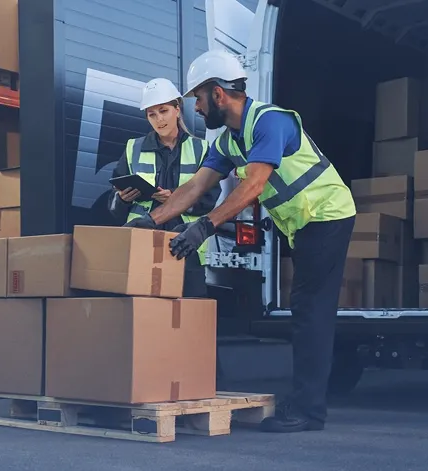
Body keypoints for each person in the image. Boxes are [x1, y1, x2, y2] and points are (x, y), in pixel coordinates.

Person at [127, 50, 357, 433]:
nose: (196, 108)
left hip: (328, 216)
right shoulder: (228, 141)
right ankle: (306, 403)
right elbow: (196, 186)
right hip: (303, 224)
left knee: (309, 313)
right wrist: (149, 223)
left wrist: (204, 226)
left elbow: (254, 185)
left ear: (218, 94)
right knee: (307, 311)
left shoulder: (270, 122)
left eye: (198, 98)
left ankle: (308, 411)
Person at [113, 78, 221, 298]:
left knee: (189, 313)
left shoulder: (201, 148)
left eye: (163, 111)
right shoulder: (133, 148)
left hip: (185, 246)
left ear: (177, 109)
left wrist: (176, 200)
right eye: (152, 114)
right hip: (144, 246)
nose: (159, 119)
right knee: (146, 314)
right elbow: (114, 206)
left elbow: (210, 198)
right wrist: (123, 199)